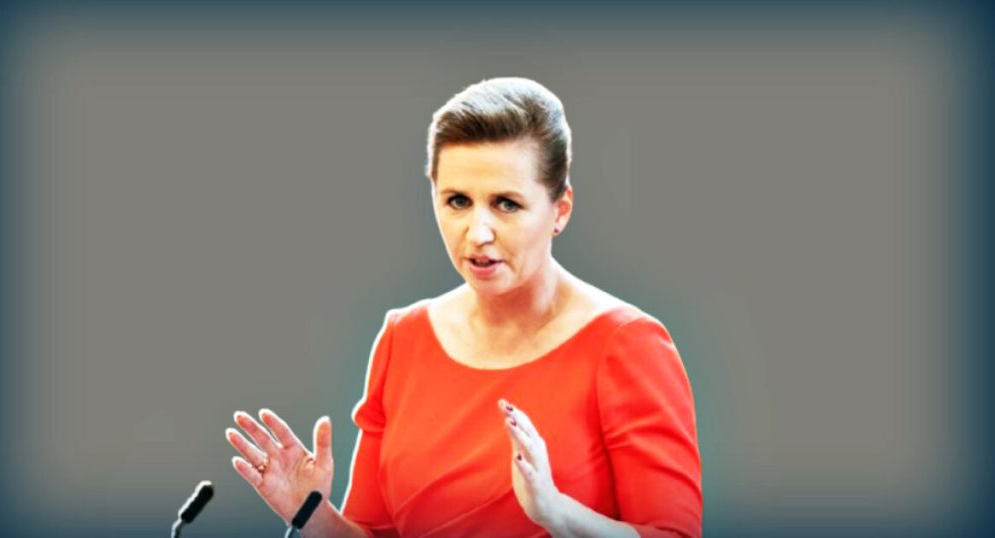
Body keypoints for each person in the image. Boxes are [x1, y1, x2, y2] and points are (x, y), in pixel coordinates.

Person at [225, 77, 702, 537]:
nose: (477, 234)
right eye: (457, 201)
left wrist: (558, 514)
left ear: (560, 210)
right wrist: (312, 517)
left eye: (506, 204)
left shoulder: (627, 344)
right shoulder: (403, 339)